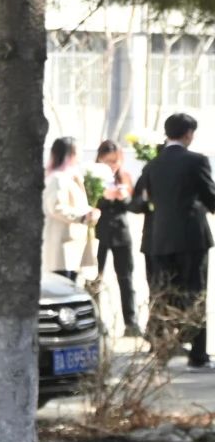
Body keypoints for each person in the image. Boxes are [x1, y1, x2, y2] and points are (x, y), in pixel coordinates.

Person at [132, 113, 215, 370]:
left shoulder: (152, 164)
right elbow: (210, 196)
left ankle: (162, 350)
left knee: (163, 294)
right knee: (195, 293)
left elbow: (138, 200)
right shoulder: (196, 161)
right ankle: (197, 355)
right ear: (188, 134)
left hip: (160, 239)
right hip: (191, 238)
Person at [93, 140, 141, 336]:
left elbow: (135, 205)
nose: (111, 166)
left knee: (126, 278)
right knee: (94, 277)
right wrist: (105, 197)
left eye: (115, 161)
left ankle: (131, 322)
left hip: (121, 232)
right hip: (98, 232)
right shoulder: (92, 177)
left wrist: (124, 197)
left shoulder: (125, 177)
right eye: (107, 161)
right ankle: (96, 321)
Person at [42, 137, 98, 282]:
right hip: (62, 245)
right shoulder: (57, 178)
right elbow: (56, 208)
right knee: (62, 284)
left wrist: (89, 212)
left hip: (73, 244)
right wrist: (83, 216)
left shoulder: (72, 177)